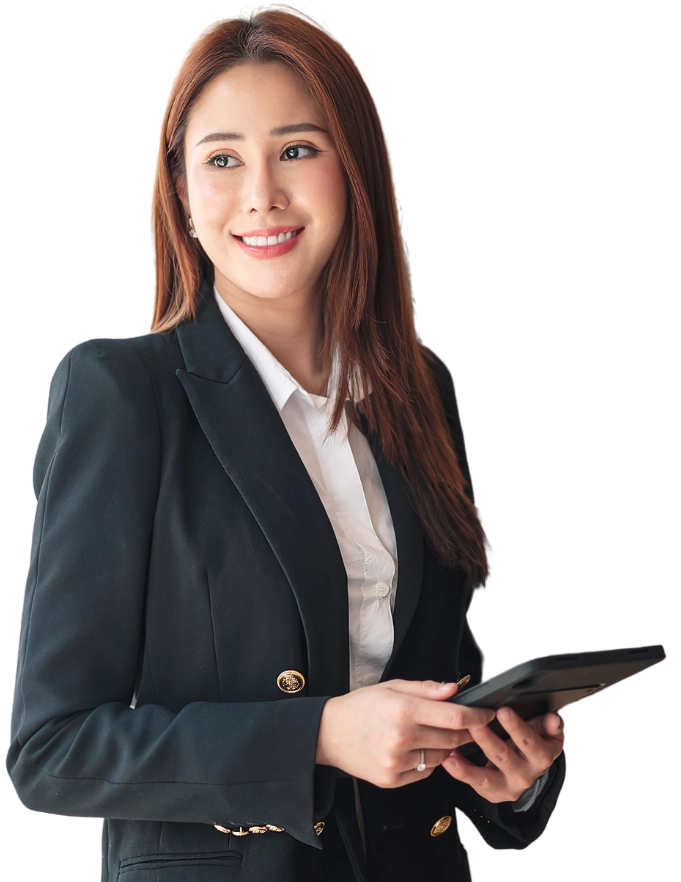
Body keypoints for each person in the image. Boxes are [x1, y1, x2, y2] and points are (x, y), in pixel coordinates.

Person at [6, 5, 566, 880]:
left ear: (356, 169)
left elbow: (437, 675)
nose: (261, 194)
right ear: (180, 193)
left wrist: (505, 773)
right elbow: (53, 752)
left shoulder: (417, 392)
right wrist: (318, 736)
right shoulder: (124, 393)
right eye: (222, 159)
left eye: (297, 150)